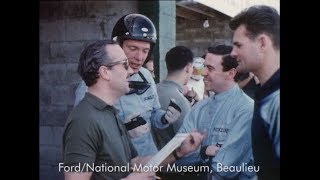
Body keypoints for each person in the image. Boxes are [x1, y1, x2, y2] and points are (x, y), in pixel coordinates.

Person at [63, 40, 206, 180]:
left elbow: (135, 163)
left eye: (145, 50)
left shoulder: (110, 113)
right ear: (105, 72)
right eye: (125, 65)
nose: (131, 70)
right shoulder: (83, 121)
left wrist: (178, 152)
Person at [73, 14, 182, 156]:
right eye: (133, 48)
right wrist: (123, 133)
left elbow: (153, 115)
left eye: (145, 50)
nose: (139, 57)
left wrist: (164, 118)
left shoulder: (146, 76)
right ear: (117, 46)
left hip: (148, 162)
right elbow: (85, 139)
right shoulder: (91, 86)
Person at [176, 45, 256, 180]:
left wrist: (197, 153)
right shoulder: (199, 108)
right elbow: (179, 157)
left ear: (231, 73)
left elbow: (224, 168)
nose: (203, 73)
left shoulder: (246, 109)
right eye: (204, 66)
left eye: (210, 68)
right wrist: (205, 152)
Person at [229, 5, 280, 179]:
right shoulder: (267, 92)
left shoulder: (277, 100)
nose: (233, 53)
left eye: (238, 45)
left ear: (262, 43)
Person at [153, 46, 194, 150]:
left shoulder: (153, 90)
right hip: (170, 163)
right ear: (188, 68)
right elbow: (188, 145)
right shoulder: (180, 101)